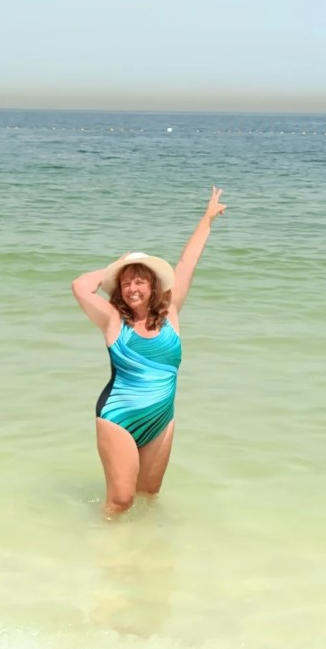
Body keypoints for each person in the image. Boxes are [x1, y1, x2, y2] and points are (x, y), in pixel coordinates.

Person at [72, 186, 226, 515]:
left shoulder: (171, 313)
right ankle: (103, 544)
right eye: (126, 282)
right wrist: (116, 266)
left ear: (153, 285)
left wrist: (207, 219)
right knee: (121, 500)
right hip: (119, 417)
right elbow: (80, 287)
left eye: (140, 281)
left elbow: (187, 262)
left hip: (161, 419)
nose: (132, 288)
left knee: (149, 495)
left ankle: (145, 545)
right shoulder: (113, 320)